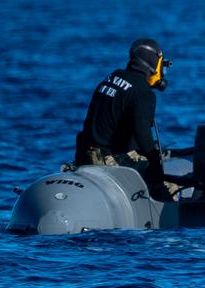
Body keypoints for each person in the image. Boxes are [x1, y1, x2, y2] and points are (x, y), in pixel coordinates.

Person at [74, 38, 173, 199]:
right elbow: (143, 136)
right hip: (106, 161)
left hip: (84, 156)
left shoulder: (111, 78)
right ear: (154, 63)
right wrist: (156, 165)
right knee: (169, 186)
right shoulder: (143, 93)